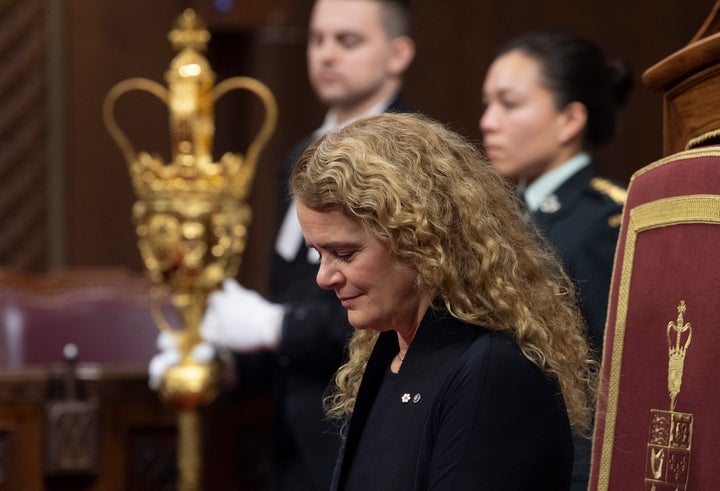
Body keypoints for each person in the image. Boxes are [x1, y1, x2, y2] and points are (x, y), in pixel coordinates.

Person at [149, 1, 415, 490]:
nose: (327, 54)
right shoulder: (302, 154)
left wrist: (276, 327)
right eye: (318, 40)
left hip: (367, 426)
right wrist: (229, 360)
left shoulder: (408, 157)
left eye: (347, 41)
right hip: (290, 442)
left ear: (397, 54)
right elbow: (295, 292)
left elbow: (395, 304)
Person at [290, 112, 596, 490]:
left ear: (418, 239)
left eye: (344, 253)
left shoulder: (491, 371)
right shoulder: (388, 348)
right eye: (319, 254)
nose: (324, 277)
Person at [479, 30, 633, 490]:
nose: (488, 121)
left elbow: (608, 391)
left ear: (570, 120)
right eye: (486, 104)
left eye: (509, 104)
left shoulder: (606, 222)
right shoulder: (504, 218)